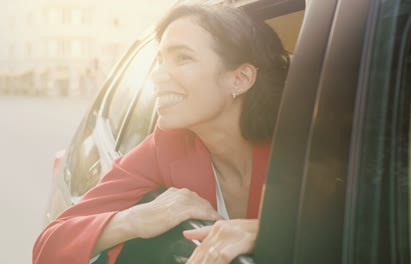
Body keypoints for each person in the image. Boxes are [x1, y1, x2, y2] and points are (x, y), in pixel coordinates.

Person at [33, 2, 289, 264]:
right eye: (160, 60)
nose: (156, 76)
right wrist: (136, 219)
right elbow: (49, 245)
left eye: (183, 58)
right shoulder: (166, 144)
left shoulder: (307, 152)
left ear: (240, 78)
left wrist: (267, 234)